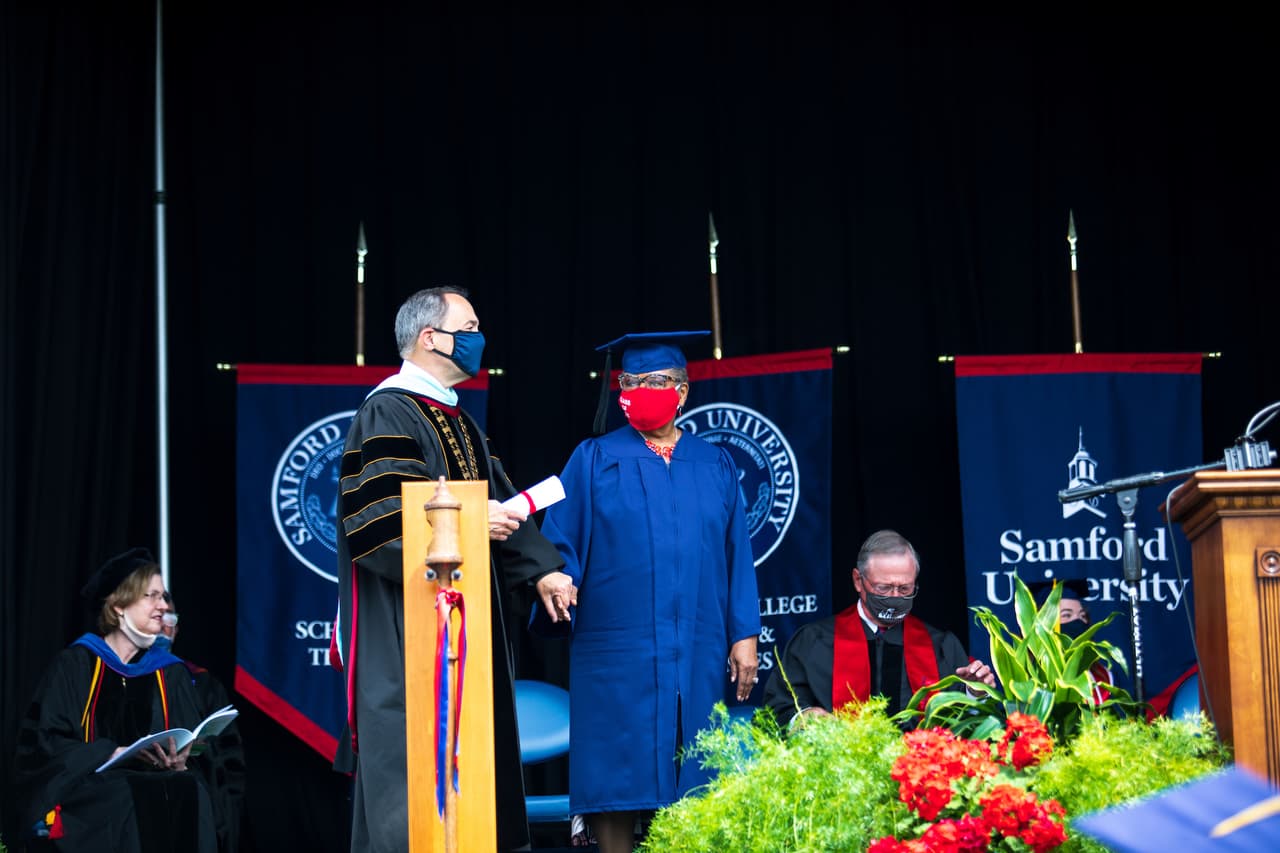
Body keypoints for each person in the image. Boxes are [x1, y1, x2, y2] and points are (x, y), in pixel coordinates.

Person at [333, 286, 570, 853]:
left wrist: (540, 569)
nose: (478, 337)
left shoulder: (456, 420)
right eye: (468, 326)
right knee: (412, 765)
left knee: (474, 764)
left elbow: (499, 502)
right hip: (408, 626)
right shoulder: (388, 410)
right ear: (430, 337)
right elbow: (379, 524)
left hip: (462, 625)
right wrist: (466, 525)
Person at [537, 330, 761, 853]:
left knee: (698, 773)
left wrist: (744, 634)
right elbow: (559, 539)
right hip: (618, 649)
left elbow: (737, 555)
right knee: (618, 775)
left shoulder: (715, 463)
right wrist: (557, 574)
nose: (641, 390)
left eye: (656, 382)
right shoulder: (593, 458)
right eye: (631, 382)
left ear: (682, 391)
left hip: (699, 646)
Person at [10, 547, 236, 852]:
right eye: (151, 596)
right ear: (118, 606)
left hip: (157, 786)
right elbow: (44, 743)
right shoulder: (77, 664)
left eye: (164, 596)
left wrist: (182, 759)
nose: (163, 606)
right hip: (93, 791)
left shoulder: (170, 673)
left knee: (190, 788)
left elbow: (191, 742)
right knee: (124, 795)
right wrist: (110, 752)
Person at [764, 529, 996, 729]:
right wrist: (804, 718)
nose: (894, 597)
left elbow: (960, 723)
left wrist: (975, 693)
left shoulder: (941, 646)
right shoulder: (814, 642)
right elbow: (779, 708)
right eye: (883, 588)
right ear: (858, 581)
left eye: (904, 589)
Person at [158, 592, 247, 853]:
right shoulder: (123, 678)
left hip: (200, 803)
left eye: (170, 618)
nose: (164, 625)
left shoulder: (202, 681)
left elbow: (230, 759)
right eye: (157, 616)